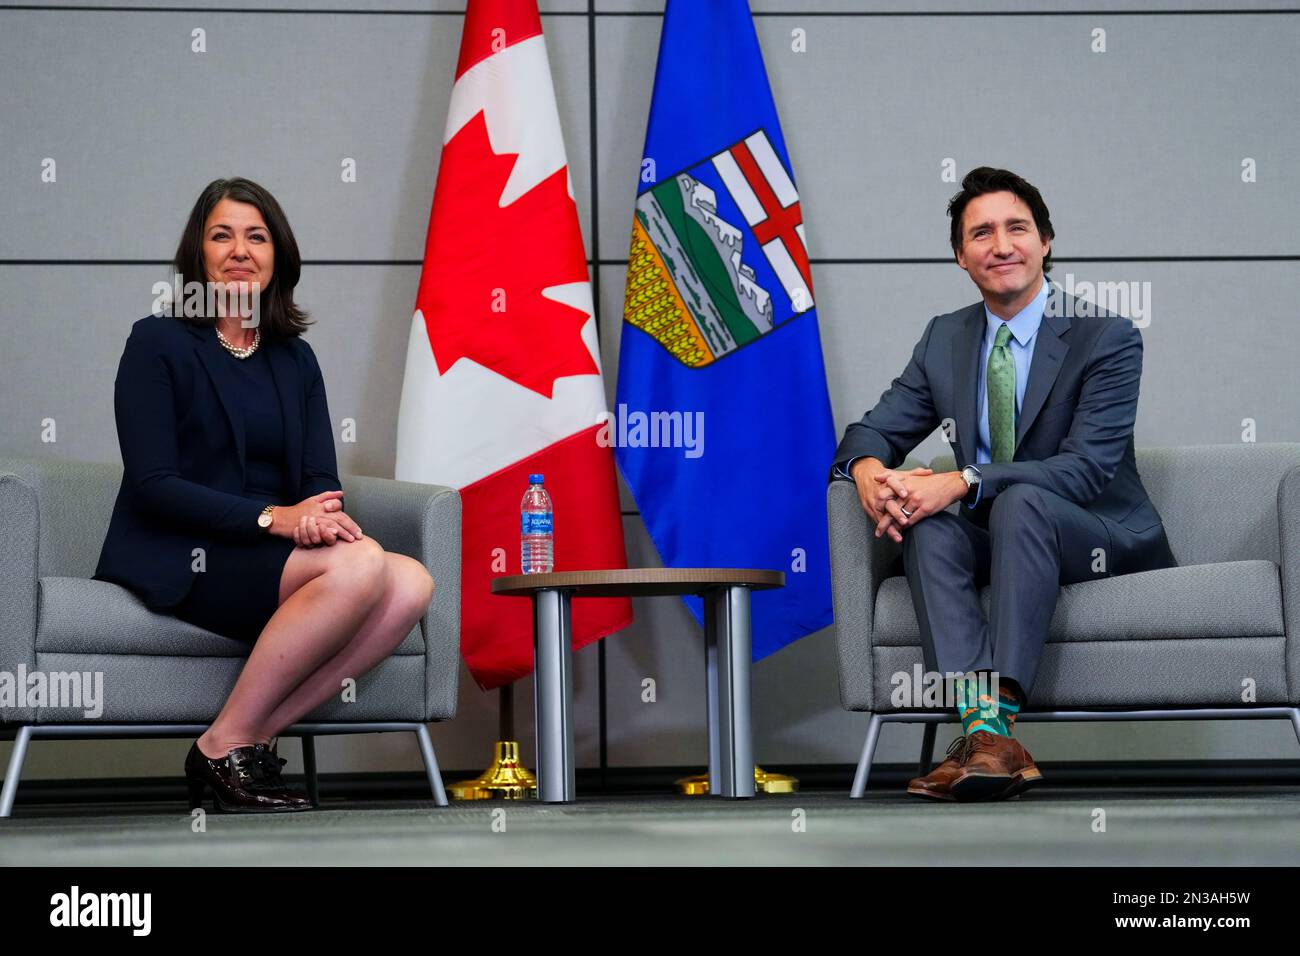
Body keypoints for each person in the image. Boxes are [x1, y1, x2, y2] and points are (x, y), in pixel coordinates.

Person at [830, 167, 1176, 803]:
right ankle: (988, 738)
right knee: (927, 523)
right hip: (1003, 534)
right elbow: (870, 431)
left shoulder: (1106, 335)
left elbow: (1086, 468)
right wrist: (870, 476)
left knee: (1015, 502)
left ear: (1045, 241)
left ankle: (992, 733)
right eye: (981, 233)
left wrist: (960, 480)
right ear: (962, 257)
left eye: (1017, 227)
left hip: (1093, 533)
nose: (1001, 244)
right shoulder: (946, 337)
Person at [93, 177, 435, 813]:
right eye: (221, 235)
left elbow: (317, 479)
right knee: (363, 564)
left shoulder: (293, 358)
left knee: (412, 580)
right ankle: (221, 745)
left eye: (256, 236)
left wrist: (319, 520)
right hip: (184, 549)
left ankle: (249, 739)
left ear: (278, 255)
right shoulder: (157, 342)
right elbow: (154, 485)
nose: (240, 249)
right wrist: (276, 519)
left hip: (271, 552)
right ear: (198, 254)